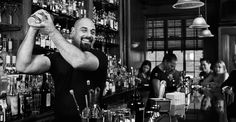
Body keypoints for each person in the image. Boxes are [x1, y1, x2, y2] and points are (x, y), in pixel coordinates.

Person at [16, 9, 108, 122]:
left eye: (93, 32)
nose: (89, 35)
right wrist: (33, 28)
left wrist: (51, 30)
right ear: (72, 32)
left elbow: (79, 61)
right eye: (84, 30)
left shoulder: (99, 56)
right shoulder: (57, 57)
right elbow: (23, 66)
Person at [221, 54, 236, 122]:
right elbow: (223, 85)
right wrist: (226, 87)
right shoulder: (234, 73)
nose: (235, 62)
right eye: (234, 60)